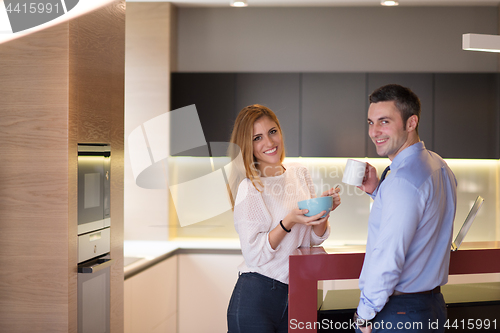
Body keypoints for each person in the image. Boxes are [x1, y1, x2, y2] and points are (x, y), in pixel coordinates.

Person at [226, 104, 341, 333]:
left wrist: (322, 213)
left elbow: (313, 241)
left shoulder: (299, 173)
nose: (269, 143)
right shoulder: (250, 187)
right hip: (257, 296)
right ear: (248, 146)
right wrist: (288, 222)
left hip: (296, 291)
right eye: (257, 137)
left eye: (272, 131)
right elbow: (254, 254)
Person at [353, 84, 457, 333]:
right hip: (431, 307)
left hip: (399, 313)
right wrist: (377, 190)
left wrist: (365, 315)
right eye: (370, 122)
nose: (374, 131)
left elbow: (389, 256)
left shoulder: (402, 181)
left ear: (411, 123)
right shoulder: (437, 164)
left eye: (384, 121)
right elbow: (420, 217)